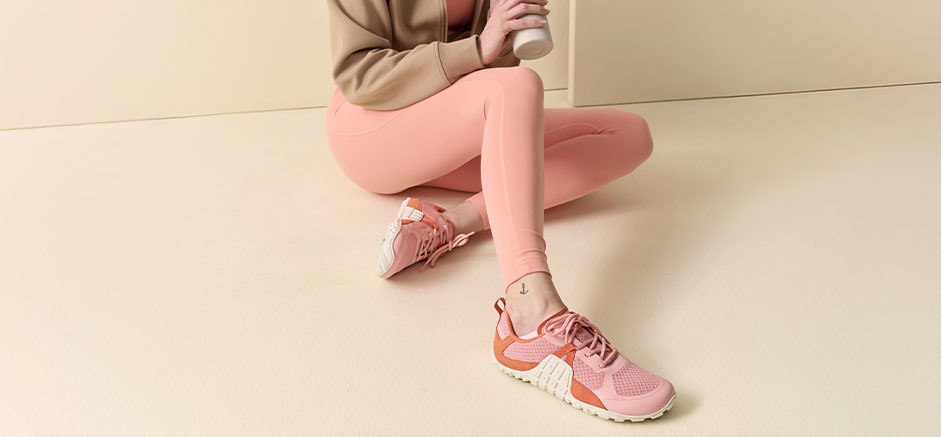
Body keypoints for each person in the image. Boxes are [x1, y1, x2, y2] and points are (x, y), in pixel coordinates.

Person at [325, 0, 675, 422]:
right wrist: (476, 48)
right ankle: (531, 314)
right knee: (517, 87)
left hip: (447, 128)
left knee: (627, 134)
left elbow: (495, 79)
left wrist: (507, 29)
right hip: (371, 129)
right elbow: (359, 75)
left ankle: (449, 223)